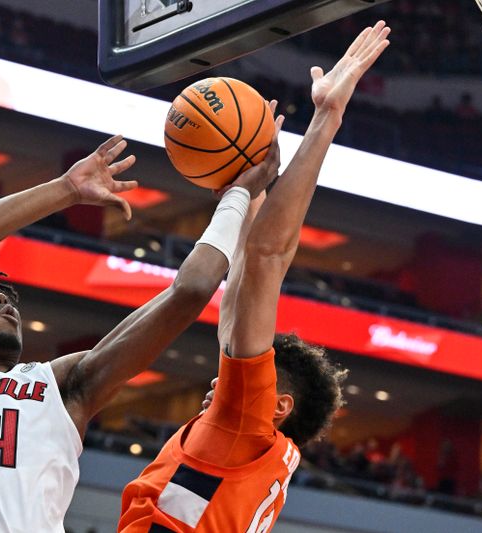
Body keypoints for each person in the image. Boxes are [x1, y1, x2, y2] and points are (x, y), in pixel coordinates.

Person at [0, 127, 282, 531]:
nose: (0, 300)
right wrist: (66, 189)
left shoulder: (61, 384)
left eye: (3, 297)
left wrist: (237, 196)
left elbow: (193, 290)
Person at [119, 21, 390, 532]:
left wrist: (326, 119)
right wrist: (253, 182)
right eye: (232, 379)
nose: (220, 384)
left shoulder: (244, 428)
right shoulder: (248, 439)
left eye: (232, 379)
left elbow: (266, 261)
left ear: (279, 406)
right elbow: (247, 284)